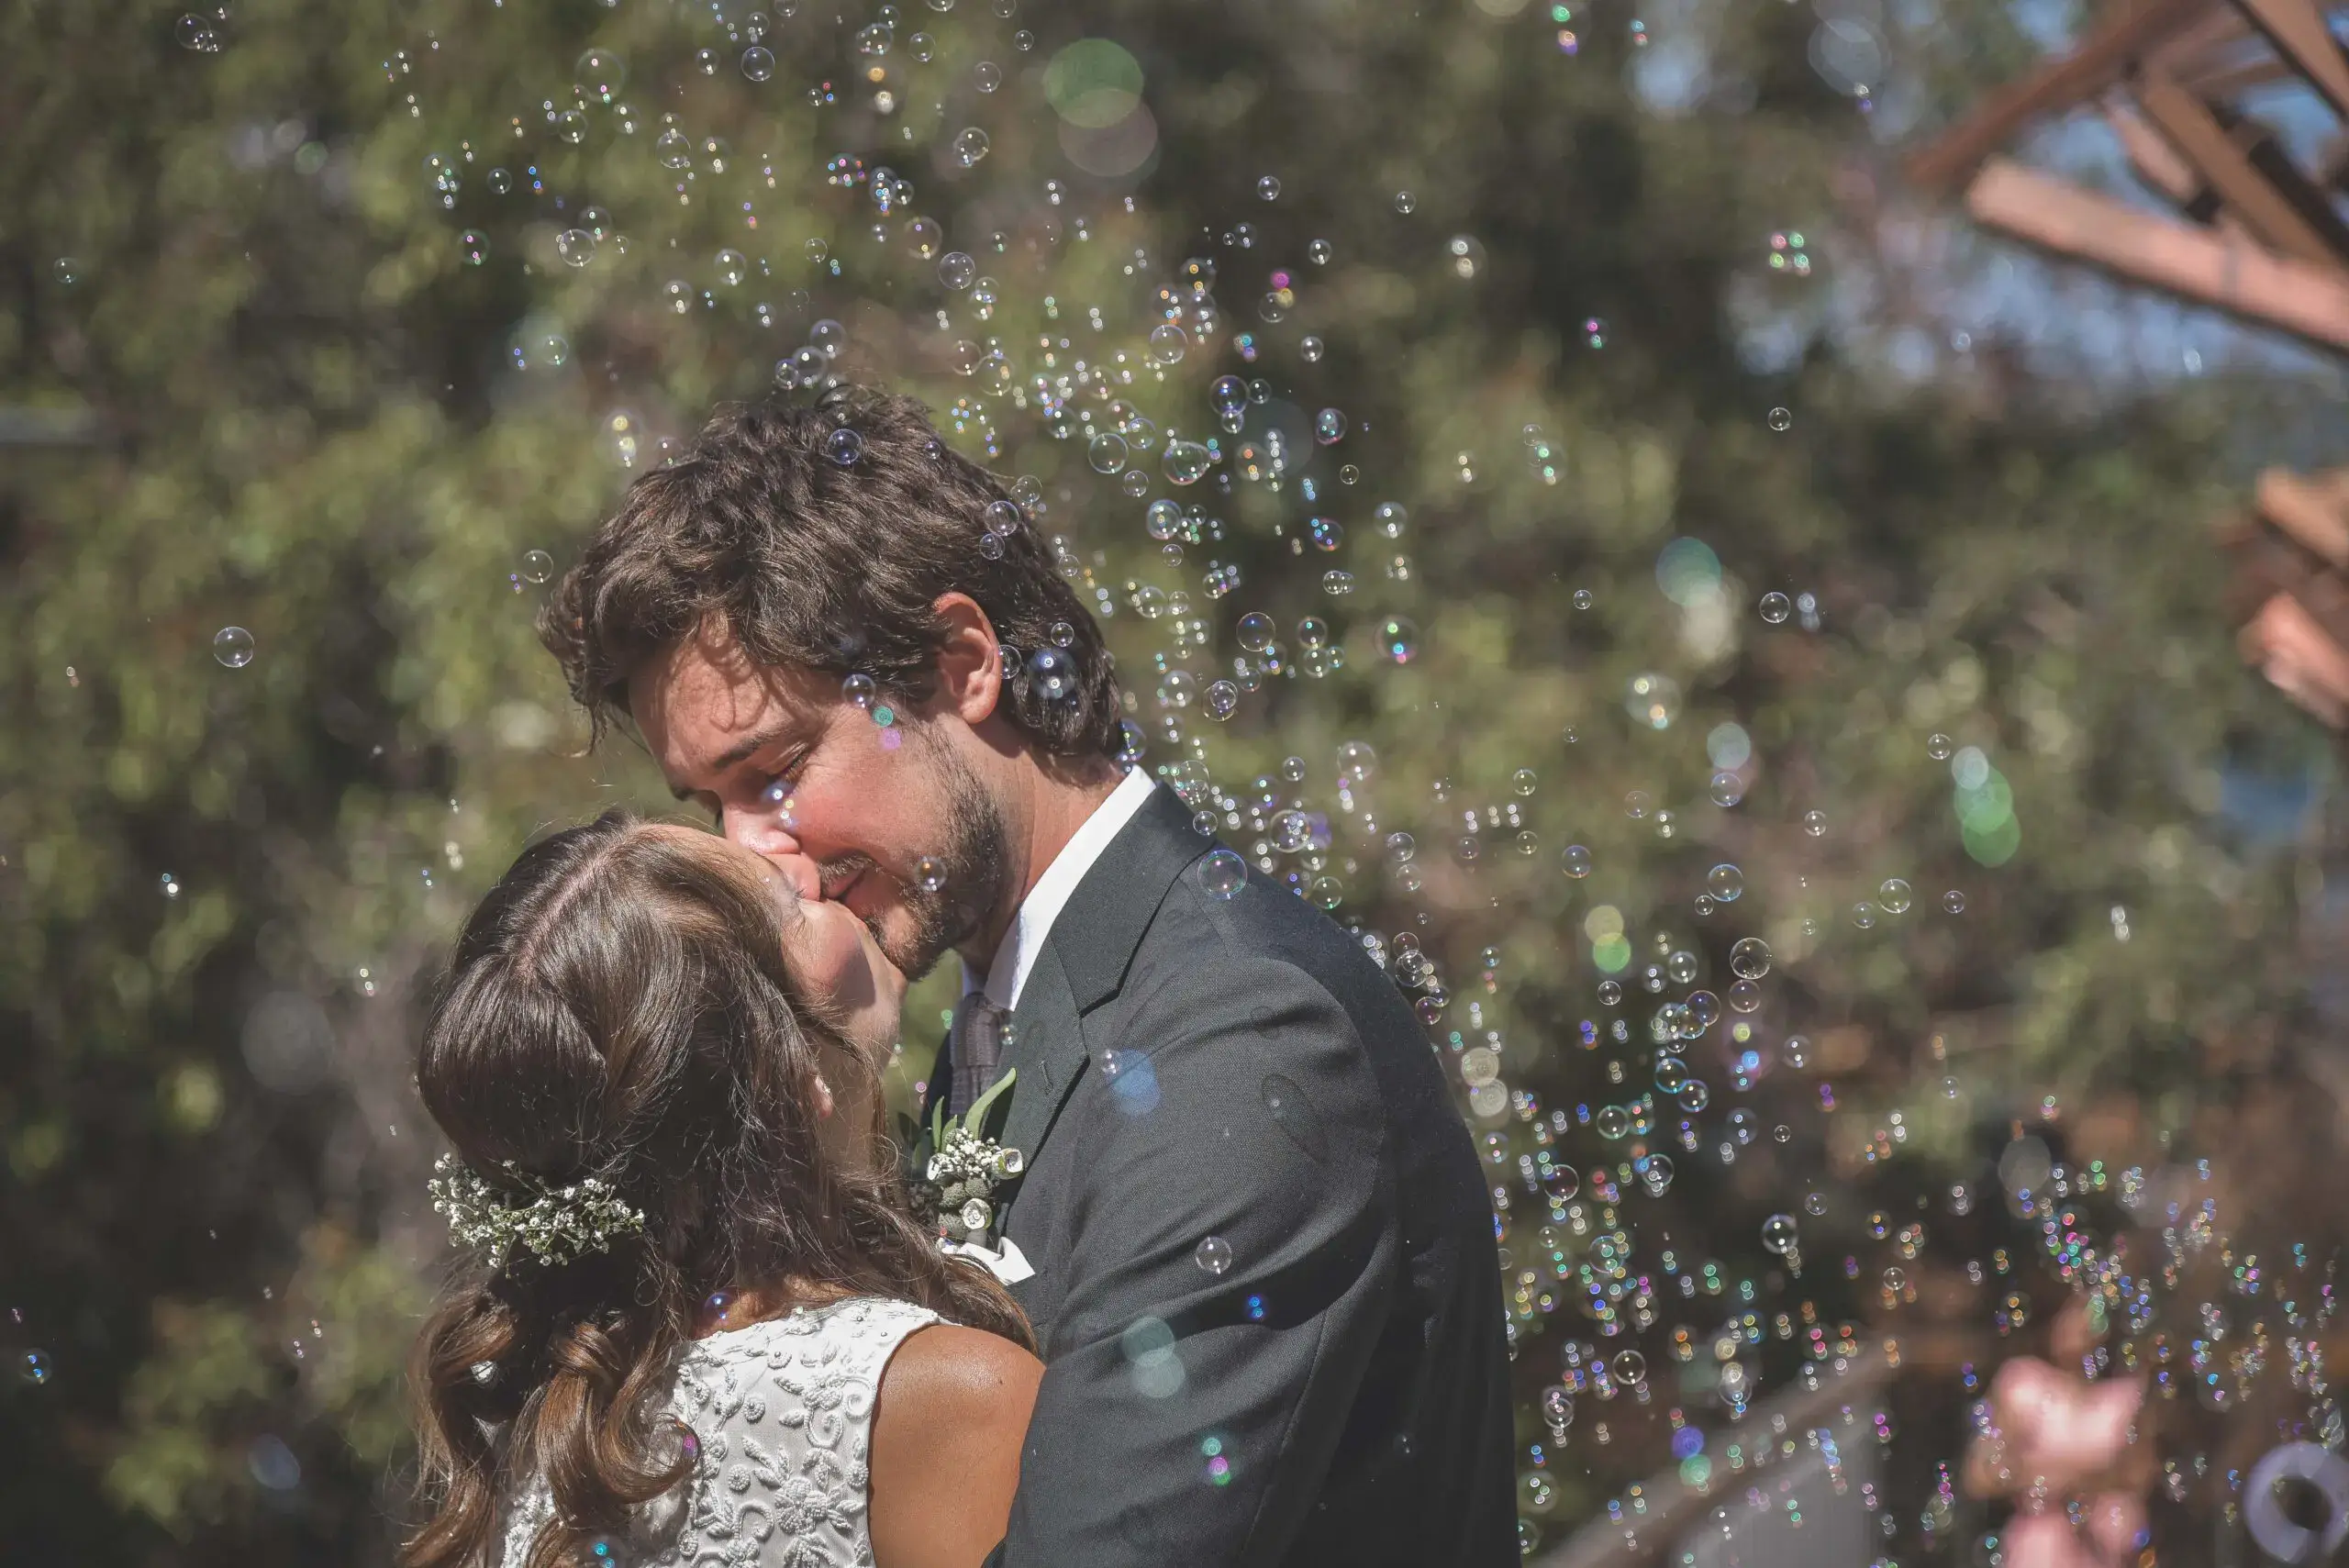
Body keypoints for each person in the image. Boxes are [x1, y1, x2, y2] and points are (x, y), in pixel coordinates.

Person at [540, 386, 1517, 1564]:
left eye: (778, 770)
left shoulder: (1240, 1035)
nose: (753, 852)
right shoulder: (994, 1025)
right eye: (711, 804)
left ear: (963, 665)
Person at [402, 814, 1044, 1568]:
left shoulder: (539, 1404)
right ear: (779, 1075)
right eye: (787, 906)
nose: (801, 861)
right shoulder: (944, 1399)